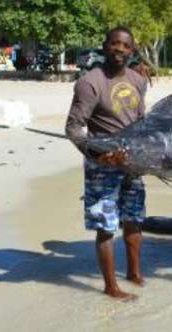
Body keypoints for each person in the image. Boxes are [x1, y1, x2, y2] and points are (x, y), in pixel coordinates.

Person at [65, 27, 148, 300]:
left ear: (132, 50)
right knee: (106, 225)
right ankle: (110, 286)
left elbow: (141, 122)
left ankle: (134, 273)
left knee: (134, 219)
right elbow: (74, 128)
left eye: (125, 46)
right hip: (102, 164)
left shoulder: (138, 80)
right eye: (115, 44)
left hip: (132, 163)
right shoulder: (90, 82)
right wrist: (97, 155)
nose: (120, 50)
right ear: (105, 46)